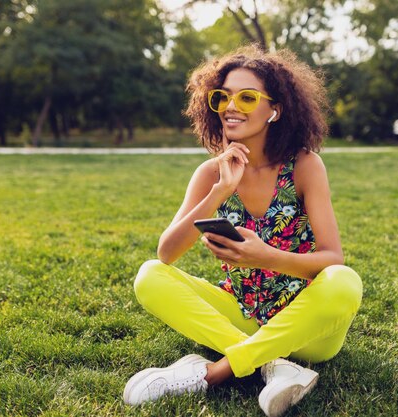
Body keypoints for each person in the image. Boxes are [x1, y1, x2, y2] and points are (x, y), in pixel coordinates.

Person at [123, 45, 363, 417]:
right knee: (149, 276)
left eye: (247, 97)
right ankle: (273, 365)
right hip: (242, 314)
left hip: (307, 329)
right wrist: (219, 190)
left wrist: (263, 256)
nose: (231, 106)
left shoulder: (304, 166)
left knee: (345, 282)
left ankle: (214, 373)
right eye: (223, 97)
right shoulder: (209, 174)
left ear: (275, 110)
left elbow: (332, 259)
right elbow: (166, 254)